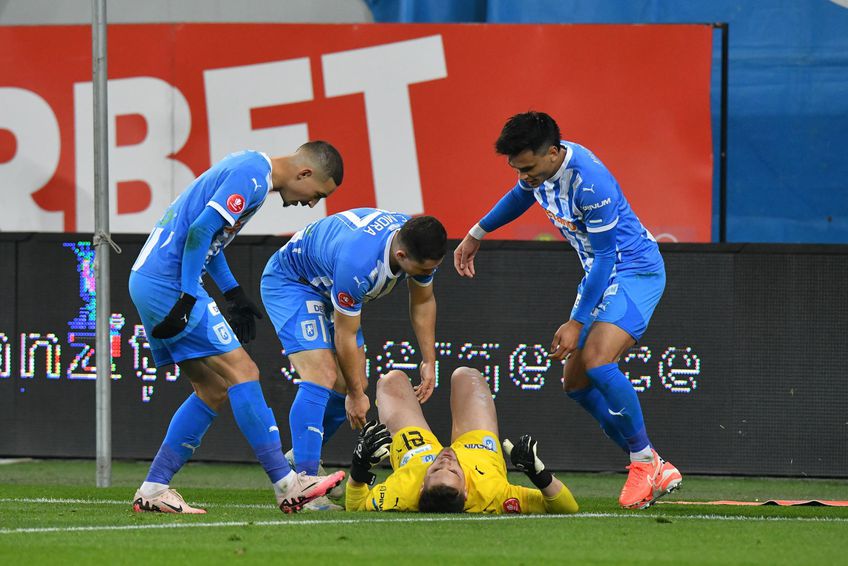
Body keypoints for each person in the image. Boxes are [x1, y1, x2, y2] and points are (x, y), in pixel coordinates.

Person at [453, 111, 682, 510]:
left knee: (597, 360)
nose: (524, 176)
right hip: (600, 274)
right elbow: (522, 194)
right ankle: (653, 462)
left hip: (633, 271)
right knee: (575, 384)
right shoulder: (538, 172)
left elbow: (608, 259)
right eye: (516, 169)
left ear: (554, 152)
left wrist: (578, 320)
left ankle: (644, 461)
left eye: (528, 168)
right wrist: (477, 233)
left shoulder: (590, 184)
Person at [128, 142, 346, 515]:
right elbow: (199, 231)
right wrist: (185, 297)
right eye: (318, 195)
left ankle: (154, 488)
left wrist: (234, 294)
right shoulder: (252, 178)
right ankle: (286, 484)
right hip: (168, 283)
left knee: (211, 388)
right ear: (305, 174)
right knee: (243, 371)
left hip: (147, 279)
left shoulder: (249, 169)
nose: (311, 204)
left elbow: (208, 239)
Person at [260, 208, 447, 510]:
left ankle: (299, 456)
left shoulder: (415, 239)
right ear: (401, 255)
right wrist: (355, 396)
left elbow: (423, 300)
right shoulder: (358, 266)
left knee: (355, 379)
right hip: (292, 282)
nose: (428, 275)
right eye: (424, 270)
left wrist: (428, 359)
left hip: (327, 285)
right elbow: (346, 335)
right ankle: (305, 487)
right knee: (322, 374)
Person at [345, 367, 579, 514]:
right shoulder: (493, 495)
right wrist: (538, 473)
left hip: (416, 454)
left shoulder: (400, 493)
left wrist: (359, 467)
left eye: (436, 469)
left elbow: (356, 504)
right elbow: (567, 507)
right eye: (454, 473)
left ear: (421, 486)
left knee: (391, 379)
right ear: (466, 491)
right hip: (478, 449)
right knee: (466, 375)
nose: (446, 460)